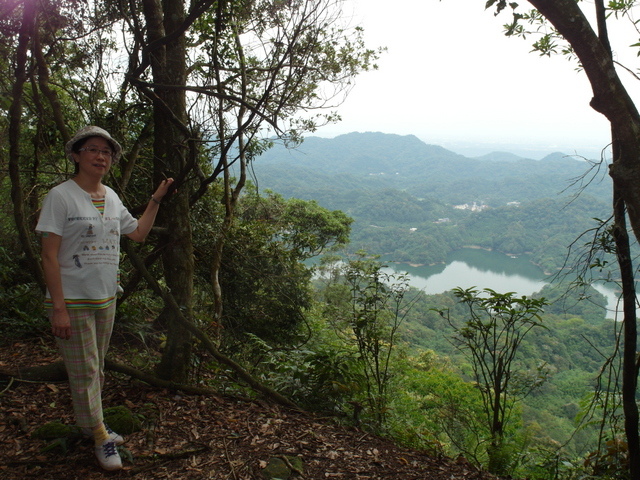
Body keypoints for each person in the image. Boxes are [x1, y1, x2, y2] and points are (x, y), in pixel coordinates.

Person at [35, 126, 174, 471]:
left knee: (94, 370)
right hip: (73, 299)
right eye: (93, 149)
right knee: (84, 371)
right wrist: (58, 308)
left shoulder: (110, 196)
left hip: (105, 298)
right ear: (76, 155)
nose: (101, 157)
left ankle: (93, 424)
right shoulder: (61, 196)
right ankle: (99, 437)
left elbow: (138, 234)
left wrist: (155, 200)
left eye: (107, 152)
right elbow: (49, 256)